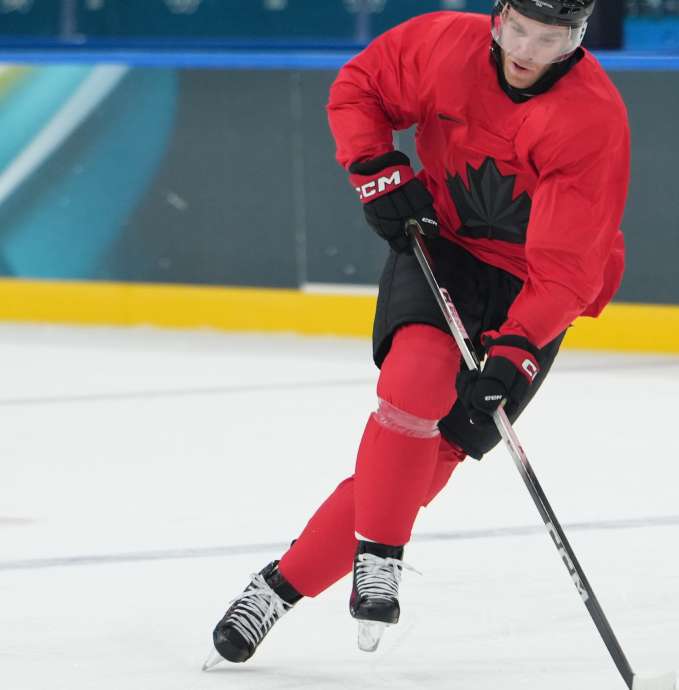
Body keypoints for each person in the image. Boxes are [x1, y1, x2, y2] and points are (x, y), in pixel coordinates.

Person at [203, 0, 629, 668]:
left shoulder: (589, 118)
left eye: (549, 40)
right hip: (445, 245)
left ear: (576, 40)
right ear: (498, 14)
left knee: (424, 471)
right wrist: (373, 164)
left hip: (536, 287)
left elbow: (569, 265)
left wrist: (519, 346)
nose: (525, 51)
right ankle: (382, 555)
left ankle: (277, 588)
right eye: (517, 29)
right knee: (411, 386)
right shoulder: (441, 45)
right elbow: (360, 89)